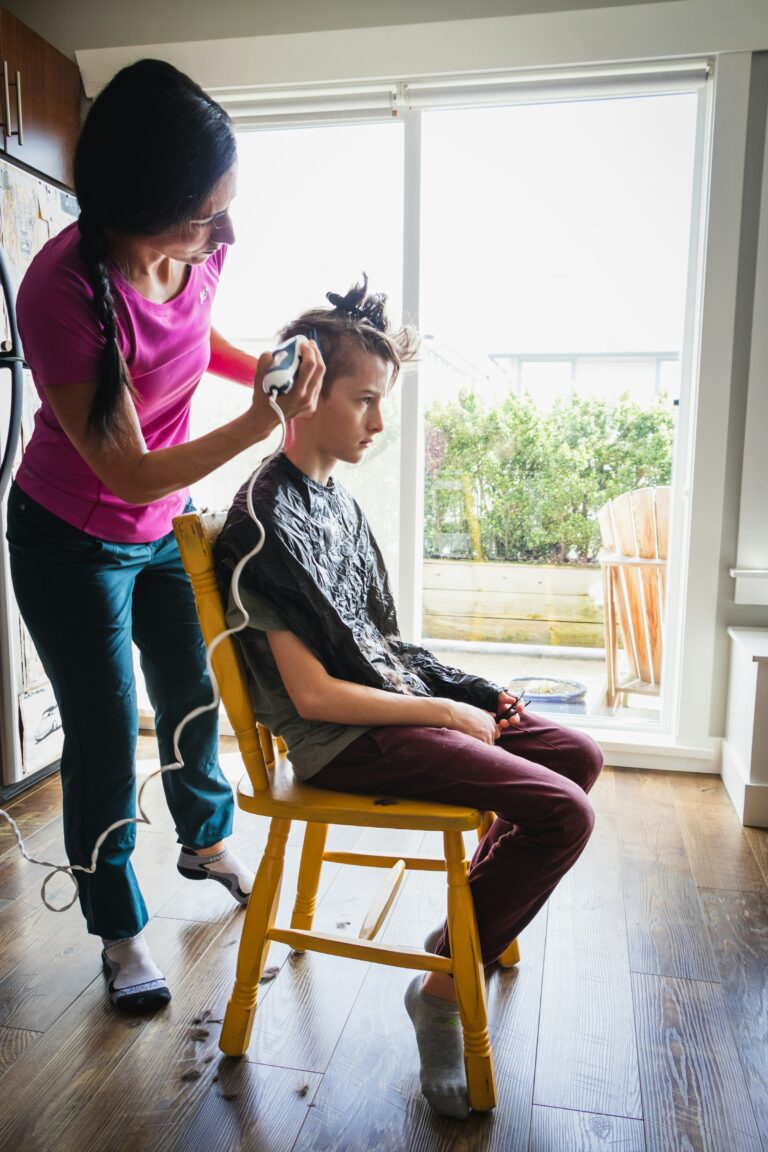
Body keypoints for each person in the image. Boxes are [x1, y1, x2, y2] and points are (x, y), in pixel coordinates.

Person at [214, 278, 604, 1120]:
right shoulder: (258, 523)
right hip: (343, 741)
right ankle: (441, 986)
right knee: (565, 813)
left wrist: (472, 692)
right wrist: (444, 712)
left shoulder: (337, 505)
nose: (380, 425)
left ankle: (473, 926)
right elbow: (316, 696)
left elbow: (383, 644)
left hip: (383, 711)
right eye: (364, 403)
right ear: (304, 394)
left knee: (577, 753)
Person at [5, 59, 325, 1014]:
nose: (224, 232)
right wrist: (263, 425)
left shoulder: (197, 252)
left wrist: (261, 367)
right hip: (70, 539)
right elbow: (129, 471)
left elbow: (194, 339)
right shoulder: (61, 290)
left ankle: (204, 839)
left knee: (193, 689)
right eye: (204, 212)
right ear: (140, 200)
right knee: (103, 731)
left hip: (162, 530)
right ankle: (117, 930)